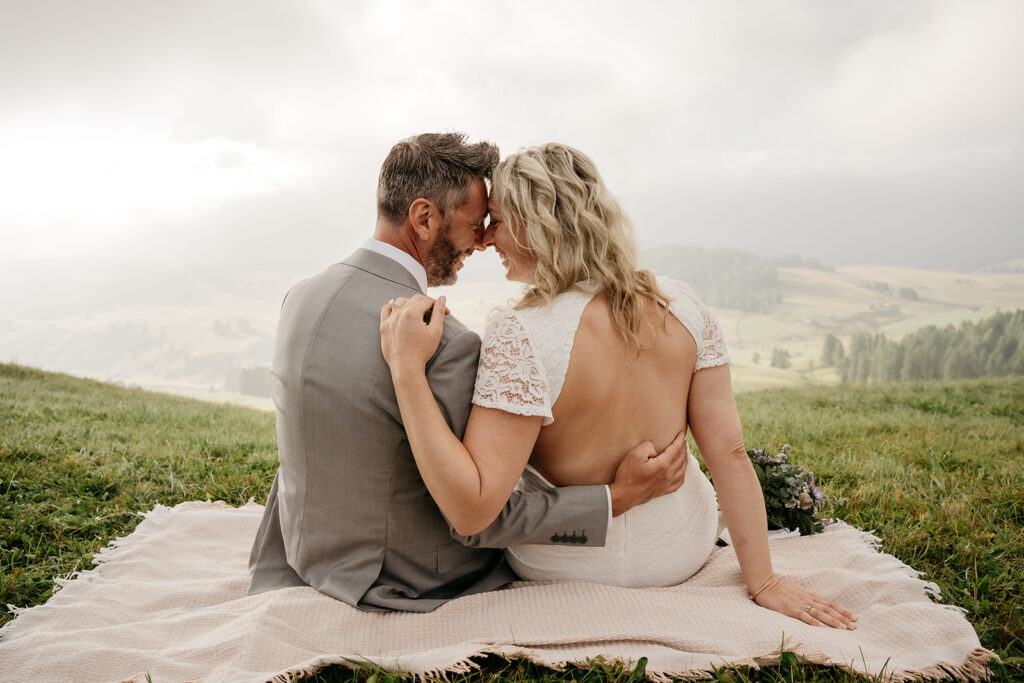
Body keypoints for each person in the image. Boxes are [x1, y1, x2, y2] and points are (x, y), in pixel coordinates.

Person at [380, 143, 857, 628]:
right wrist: (765, 582)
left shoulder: (522, 333)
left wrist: (407, 369)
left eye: (498, 221)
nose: (486, 240)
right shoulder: (682, 305)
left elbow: (473, 510)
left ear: (534, 224)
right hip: (680, 551)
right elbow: (729, 453)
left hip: (561, 564)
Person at [246, 133, 689, 612]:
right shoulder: (449, 344)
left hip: (301, 553)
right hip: (405, 577)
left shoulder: (301, 296)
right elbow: (481, 514)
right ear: (423, 217)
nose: (482, 241)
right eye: (475, 224)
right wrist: (615, 497)